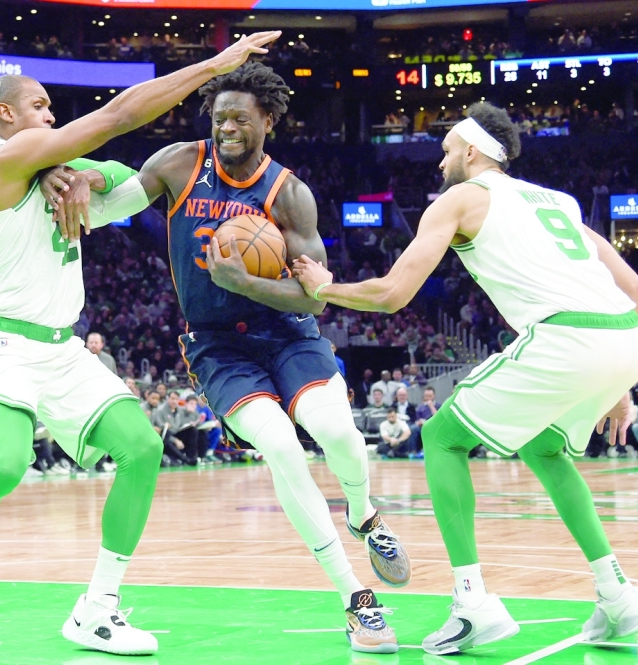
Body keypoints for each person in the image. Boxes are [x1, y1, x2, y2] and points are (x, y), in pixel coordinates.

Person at [0, 32, 281, 658]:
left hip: (64, 351)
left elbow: (136, 176)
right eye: (41, 105)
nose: (51, 113)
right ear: (7, 115)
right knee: (6, 464)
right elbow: (118, 117)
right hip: (7, 345)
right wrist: (214, 65)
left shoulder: (50, 174)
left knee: (142, 447)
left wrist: (82, 174)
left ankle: (98, 609)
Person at [293, 102, 638, 655]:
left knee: (441, 437)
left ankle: (473, 603)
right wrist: (618, 385)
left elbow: (393, 294)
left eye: (445, 151)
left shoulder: (462, 197)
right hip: (626, 339)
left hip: (567, 336)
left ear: (470, 149)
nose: (440, 162)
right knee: (544, 448)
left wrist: (324, 287)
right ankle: (618, 594)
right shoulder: (558, 201)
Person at [95, 61, 408, 654]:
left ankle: (365, 515)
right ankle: (356, 600)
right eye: (219, 118)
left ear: (268, 119)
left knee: (339, 434)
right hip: (217, 345)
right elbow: (114, 204)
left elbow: (312, 290)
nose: (227, 128)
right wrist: (75, 174)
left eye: (240, 117)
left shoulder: (289, 194)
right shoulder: (178, 164)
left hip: (287, 329)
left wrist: (246, 283)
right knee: (282, 447)